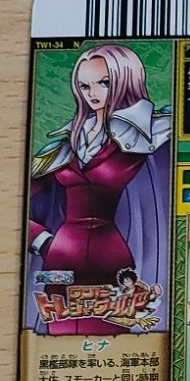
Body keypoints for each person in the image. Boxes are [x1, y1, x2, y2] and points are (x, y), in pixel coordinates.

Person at [26, 43, 171, 334]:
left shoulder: (151, 135)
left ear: (125, 79)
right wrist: (42, 240)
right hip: (61, 253)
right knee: (60, 338)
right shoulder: (67, 140)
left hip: (109, 253)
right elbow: (20, 202)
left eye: (104, 83)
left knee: (111, 338)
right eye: (84, 86)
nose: (92, 93)